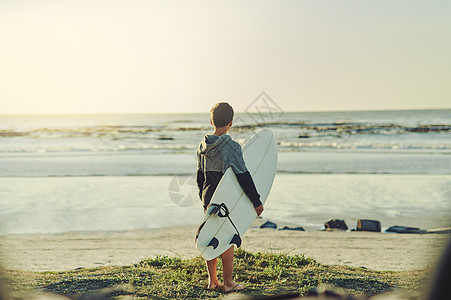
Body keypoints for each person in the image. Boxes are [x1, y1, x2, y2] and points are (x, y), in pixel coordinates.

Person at [196, 102, 264, 292]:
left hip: (208, 196)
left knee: (211, 234)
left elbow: (200, 176)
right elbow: (243, 175)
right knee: (227, 238)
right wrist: (256, 201)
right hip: (225, 197)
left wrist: (202, 196)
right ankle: (227, 283)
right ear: (231, 122)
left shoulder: (202, 145)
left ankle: (212, 281)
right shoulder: (232, 147)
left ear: (211, 121)